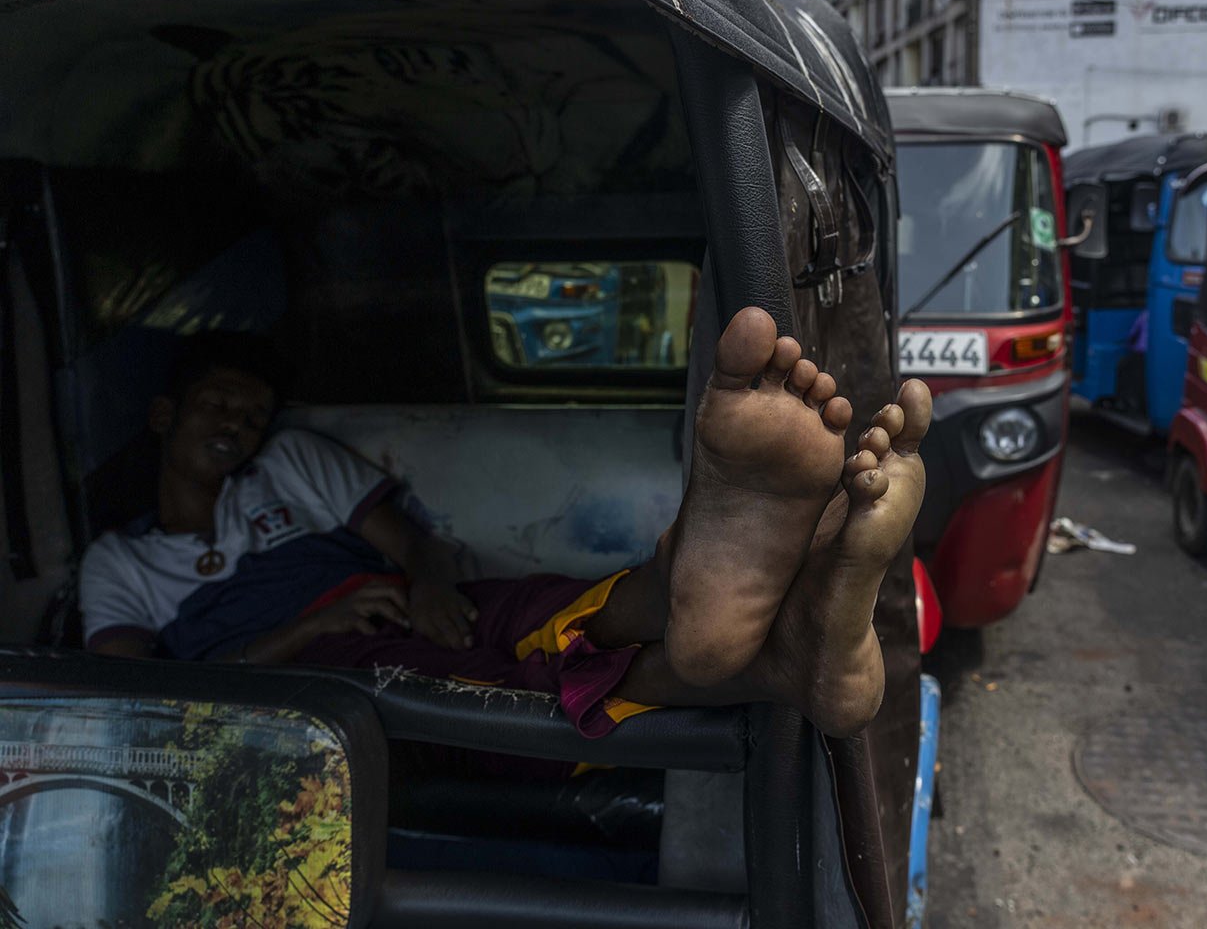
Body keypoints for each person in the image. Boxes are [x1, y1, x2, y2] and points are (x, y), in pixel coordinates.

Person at [79, 307, 931, 740]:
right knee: (497, 691)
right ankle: (774, 647)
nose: (237, 421)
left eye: (252, 410)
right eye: (217, 403)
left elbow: (410, 544)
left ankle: (690, 589)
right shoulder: (117, 566)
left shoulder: (287, 462)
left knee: (535, 609)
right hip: (312, 675)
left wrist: (428, 584)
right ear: (162, 416)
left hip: (399, 596)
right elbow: (137, 704)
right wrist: (310, 628)